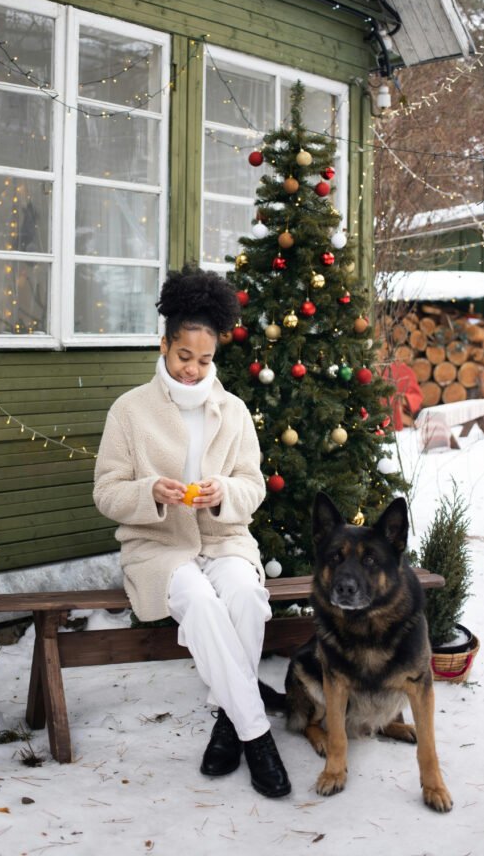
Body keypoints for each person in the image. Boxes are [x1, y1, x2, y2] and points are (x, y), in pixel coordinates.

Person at [93, 263, 291, 798]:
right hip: (158, 549)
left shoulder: (234, 412)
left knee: (247, 596)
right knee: (201, 603)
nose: (193, 369)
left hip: (224, 539)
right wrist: (148, 492)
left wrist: (224, 490)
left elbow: (252, 486)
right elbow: (107, 492)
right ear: (164, 345)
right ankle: (256, 735)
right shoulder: (130, 412)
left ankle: (228, 724)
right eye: (184, 356)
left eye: (205, 359)